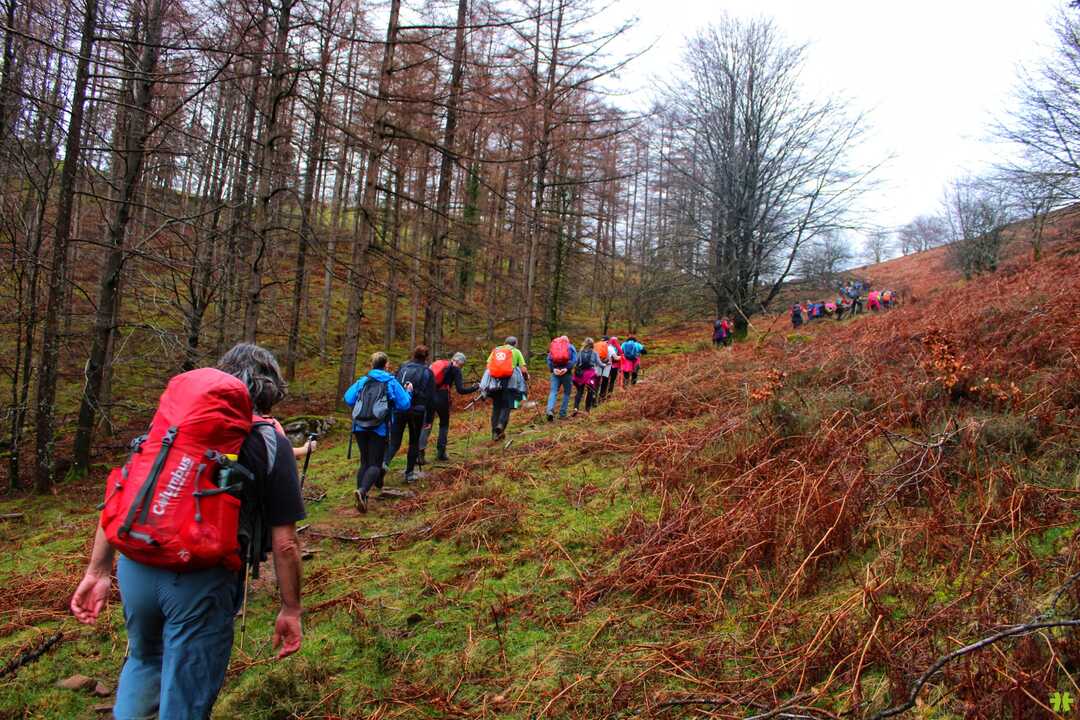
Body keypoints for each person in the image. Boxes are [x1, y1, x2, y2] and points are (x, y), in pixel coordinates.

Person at [70, 343, 305, 719]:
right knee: (187, 697)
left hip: (137, 565)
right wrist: (290, 608)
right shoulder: (269, 441)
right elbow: (286, 543)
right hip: (200, 577)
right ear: (270, 391)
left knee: (144, 659)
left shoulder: (173, 425)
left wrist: (97, 571)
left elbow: (125, 491)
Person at [343, 351, 413, 512]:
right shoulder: (390, 381)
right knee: (375, 463)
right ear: (386, 365)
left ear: (371, 364)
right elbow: (404, 405)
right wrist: (408, 392)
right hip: (379, 427)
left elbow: (348, 398)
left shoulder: (363, 381)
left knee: (364, 462)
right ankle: (362, 492)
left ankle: (363, 499)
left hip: (359, 426)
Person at [385, 345, 435, 483]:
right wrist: (429, 418)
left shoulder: (403, 367)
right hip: (417, 411)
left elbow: (394, 385)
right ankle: (409, 473)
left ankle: (384, 464)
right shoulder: (427, 372)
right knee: (414, 442)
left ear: (414, 354)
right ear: (426, 357)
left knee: (394, 442)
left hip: (400, 408)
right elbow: (431, 397)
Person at [420, 352, 478, 461]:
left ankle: (420, 454)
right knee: (444, 424)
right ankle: (441, 453)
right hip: (442, 397)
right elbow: (461, 390)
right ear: (460, 363)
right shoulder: (456, 370)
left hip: (429, 396)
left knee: (427, 424)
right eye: (462, 365)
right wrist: (474, 388)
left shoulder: (439, 364)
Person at [484, 336, 528, 441]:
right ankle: (500, 425)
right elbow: (523, 369)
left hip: (495, 383)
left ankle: (494, 434)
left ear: (504, 343)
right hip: (510, 382)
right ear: (515, 344)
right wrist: (526, 377)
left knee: (496, 407)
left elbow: (488, 366)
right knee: (507, 405)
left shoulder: (496, 350)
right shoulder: (516, 351)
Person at [545, 336, 578, 421]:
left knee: (553, 392)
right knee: (567, 393)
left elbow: (548, 359)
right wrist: (566, 368)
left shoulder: (554, 347)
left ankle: (550, 410)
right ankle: (562, 414)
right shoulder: (570, 347)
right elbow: (575, 360)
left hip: (555, 372)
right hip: (566, 373)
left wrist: (553, 369)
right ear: (567, 341)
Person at [572, 337, 601, 413]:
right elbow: (599, 364)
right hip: (590, 374)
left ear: (584, 343)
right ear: (592, 344)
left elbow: (576, 363)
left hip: (580, 374)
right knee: (590, 391)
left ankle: (576, 408)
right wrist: (606, 364)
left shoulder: (580, 352)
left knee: (579, 391)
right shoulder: (594, 353)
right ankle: (587, 409)